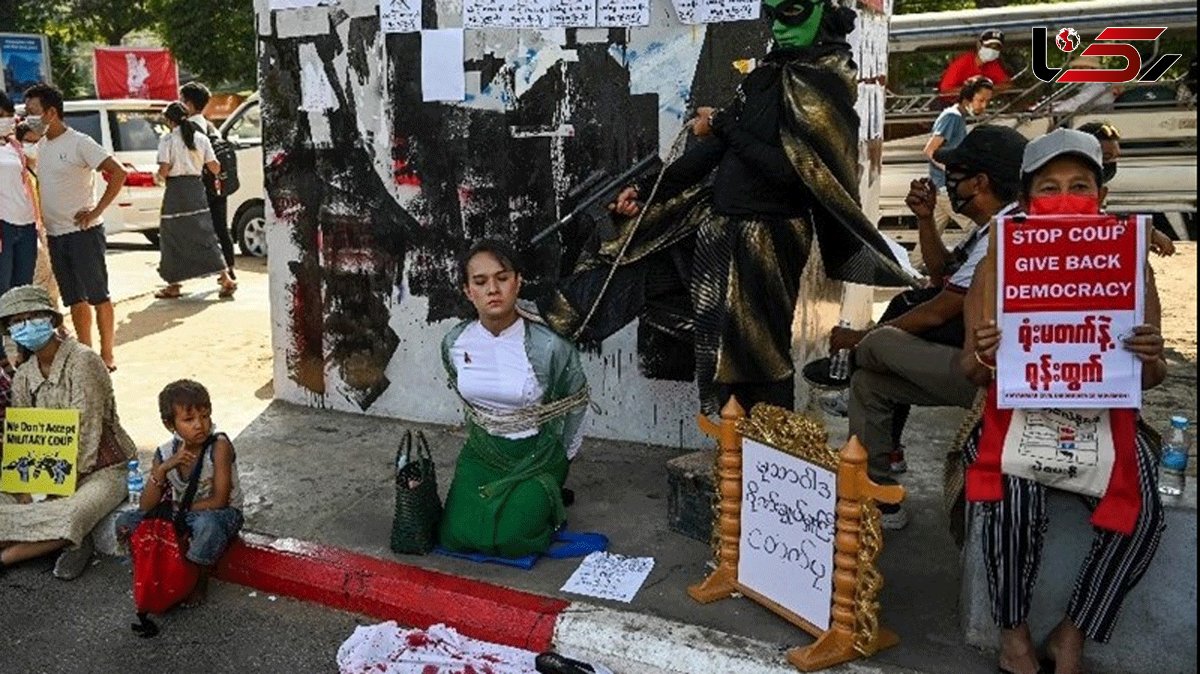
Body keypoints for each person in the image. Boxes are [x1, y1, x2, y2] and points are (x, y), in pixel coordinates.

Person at [538, 0, 914, 415]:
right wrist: (645, 190)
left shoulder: (824, 83)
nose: (780, 27)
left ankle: (770, 457)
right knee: (646, 271)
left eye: (791, 12)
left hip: (768, 236)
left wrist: (723, 124)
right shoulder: (767, 76)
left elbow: (791, 175)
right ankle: (550, 318)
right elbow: (711, 151)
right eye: (772, 15)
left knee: (758, 353)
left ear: (821, 12)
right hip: (719, 226)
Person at [959, 129, 1166, 674]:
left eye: (1080, 185)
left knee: (1143, 511)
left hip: (1105, 420)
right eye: (1049, 188)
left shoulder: (1128, 263)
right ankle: (1015, 636)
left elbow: (1149, 378)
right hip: (1016, 416)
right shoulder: (996, 265)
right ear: (1026, 203)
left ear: (1101, 196)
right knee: (1012, 503)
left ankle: (1071, 634)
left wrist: (1149, 353)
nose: (1066, 197)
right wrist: (984, 354)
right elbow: (967, 370)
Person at [833, 125, 1027, 529]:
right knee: (869, 385)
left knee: (882, 342)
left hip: (990, 376)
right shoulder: (992, 227)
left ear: (981, 181)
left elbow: (939, 310)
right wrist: (926, 218)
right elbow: (943, 277)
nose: (949, 182)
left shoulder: (1007, 233)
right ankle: (879, 498)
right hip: (974, 363)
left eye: (957, 174)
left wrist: (860, 339)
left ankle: (847, 358)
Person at [439, 240, 589, 558]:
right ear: (468, 291)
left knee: (513, 539)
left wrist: (563, 456)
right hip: (481, 453)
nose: (493, 289)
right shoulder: (454, 343)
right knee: (455, 534)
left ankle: (547, 495)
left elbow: (575, 402)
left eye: (502, 278)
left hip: (537, 454)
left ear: (518, 282)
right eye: (480, 282)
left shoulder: (551, 347)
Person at [0, 284, 137, 580]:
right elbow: (24, 439)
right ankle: (68, 539)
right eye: (16, 321)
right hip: (47, 474)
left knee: (73, 513)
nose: (25, 325)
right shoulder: (23, 374)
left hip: (102, 469)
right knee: (8, 500)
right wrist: (27, 487)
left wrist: (55, 490)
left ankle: (8, 555)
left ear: (51, 319)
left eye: (33, 316)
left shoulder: (82, 360)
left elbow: (88, 431)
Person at [23, 83, 125, 371]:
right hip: (55, 235)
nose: (28, 118)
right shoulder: (41, 146)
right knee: (74, 299)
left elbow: (118, 172)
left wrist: (97, 210)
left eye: (33, 112)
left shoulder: (80, 142)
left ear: (51, 112)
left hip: (84, 233)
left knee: (98, 295)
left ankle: (107, 355)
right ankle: (86, 353)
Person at [115, 379, 244, 607]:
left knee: (207, 526)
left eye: (205, 417)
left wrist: (179, 512)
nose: (199, 425)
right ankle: (153, 573)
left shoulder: (219, 446)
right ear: (170, 424)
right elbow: (146, 506)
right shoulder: (165, 453)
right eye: (189, 419)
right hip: (182, 515)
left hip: (218, 514)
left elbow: (220, 500)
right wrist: (163, 469)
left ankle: (197, 580)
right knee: (126, 521)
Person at [153, 102, 236, 299]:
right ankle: (225, 278)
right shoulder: (201, 138)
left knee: (171, 236)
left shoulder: (168, 140)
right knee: (204, 234)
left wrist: (156, 178)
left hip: (176, 193)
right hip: (196, 191)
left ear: (169, 121)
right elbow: (215, 167)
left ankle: (173, 284)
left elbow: (164, 171)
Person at [1076, 121, 1176, 257]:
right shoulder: (1066, 186)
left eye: (1115, 158)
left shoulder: (1095, 187)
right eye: (1106, 158)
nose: (1111, 165)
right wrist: (1146, 233)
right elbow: (1081, 225)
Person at [922, 76, 994, 241]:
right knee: (979, 225)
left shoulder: (958, 117)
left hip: (942, 186)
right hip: (946, 188)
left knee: (930, 236)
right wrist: (952, 170)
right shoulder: (952, 117)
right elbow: (930, 150)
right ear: (968, 97)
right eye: (981, 100)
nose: (983, 106)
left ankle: (912, 266)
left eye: (987, 101)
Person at [180, 81, 237, 285]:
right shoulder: (211, 126)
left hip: (199, 186)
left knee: (191, 231)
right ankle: (229, 270)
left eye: (182, 100)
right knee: (221, 229)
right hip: (218, 184)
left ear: (189, 103)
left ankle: (181, 278)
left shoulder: (188, 129)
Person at [0, 93, 42, 368]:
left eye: (6, 114)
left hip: (25, 225)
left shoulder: (15, 146)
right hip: (2, 227)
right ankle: (2, 356)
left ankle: (25, 352)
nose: (5, 120)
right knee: (2, 291)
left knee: (22, 292)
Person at [938, 30, 1011, 102]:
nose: (992, 50)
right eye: (988, 46)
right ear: (979, 45)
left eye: (996, 48)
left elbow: (1006, 84)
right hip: (949, 104)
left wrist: (987, 90)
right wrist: (971, 90)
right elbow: (945, 91)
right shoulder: (963, 63)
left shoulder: (992, 64)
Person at [1050, 57, 1122, 114]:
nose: (1076, 71)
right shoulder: (1090, 83)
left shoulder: (1097, 83)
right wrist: (1053, 105)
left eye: (1081, 68)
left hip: (1099, 117)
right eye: (1075, 68)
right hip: (1093, 115)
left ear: (1092, 69)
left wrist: (1055, 109)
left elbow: (1080, 101)